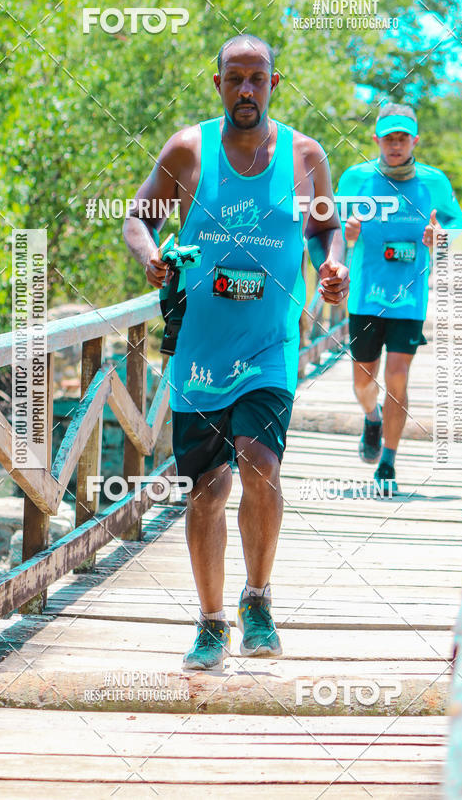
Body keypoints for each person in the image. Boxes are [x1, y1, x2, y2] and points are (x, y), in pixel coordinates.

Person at [123, 34, 349, 671]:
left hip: (270, 343)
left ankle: (257, 600)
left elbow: (326, 227)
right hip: (198, 348)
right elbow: (139, 217)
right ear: (217, 83)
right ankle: (210, 620)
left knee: (258, 467)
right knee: (206, 488)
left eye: (257, 78)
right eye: (234, 79)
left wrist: (331, 266)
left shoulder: (306, 156)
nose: (245, 90)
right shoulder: (188, 152)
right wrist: (152, 258)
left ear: (275, 83)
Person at [337, 103, 462, 495]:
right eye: (388, 137)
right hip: (365, 295)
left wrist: (439, 237)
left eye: (402, 138)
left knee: (397, 377)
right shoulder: (356, 178)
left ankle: (388, 461)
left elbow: (456, 222)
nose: (395, 145)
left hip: (410, 295)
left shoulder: (433, 181)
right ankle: (371, 417)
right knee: (363, 381)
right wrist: (349, 228)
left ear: (415, 141)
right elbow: (329, 227)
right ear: (376, 139)